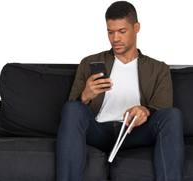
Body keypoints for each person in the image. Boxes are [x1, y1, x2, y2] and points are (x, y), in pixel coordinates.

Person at [56, 1, 184, 180]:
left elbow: (163, 106)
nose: (115, 38)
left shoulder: (158, 66)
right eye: (110, 32)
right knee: (72, 108)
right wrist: (86, 96)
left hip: (135, 132)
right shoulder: (89, 60)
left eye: (122, 32)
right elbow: (71, 111)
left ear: (138, 27)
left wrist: (146, 110)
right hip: (98, 131)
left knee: (173, 115)